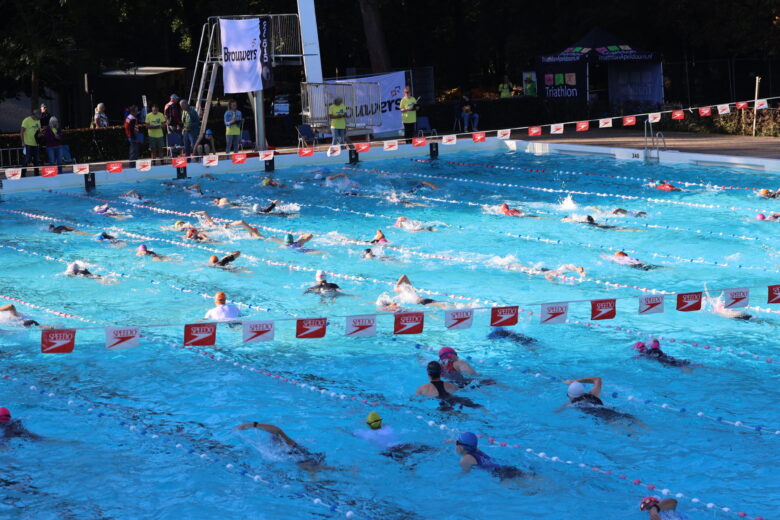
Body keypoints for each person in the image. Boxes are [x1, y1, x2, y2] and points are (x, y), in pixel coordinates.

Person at [234, 423, 328, 471]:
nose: (273, 440)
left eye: (275, 438)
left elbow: (277, 430)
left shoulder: (289, 444)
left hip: (309, 461)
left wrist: (254, 424)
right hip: (307, 463)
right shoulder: (276, 449)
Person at [350, 411, 433, 466]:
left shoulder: (366, 433)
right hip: (401, 445)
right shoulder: (388, 428)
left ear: (368, 424)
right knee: (424, 448)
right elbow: (383, 424)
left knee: (406, 464)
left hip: (388, 451)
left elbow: (351, 432)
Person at [559, 377, 637, 423]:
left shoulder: (570, 404)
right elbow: (597, 379)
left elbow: (557, 412)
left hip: (607, 419)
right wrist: (574, 381)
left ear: (570, 395)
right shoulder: (593, 394)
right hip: (615, 411)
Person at [415, 361, 484, 411]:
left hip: (441, 409)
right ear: (440, 373)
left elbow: (415, 400)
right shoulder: (452, 385)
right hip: (455, 402)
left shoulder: (422, 389)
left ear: (428, 374)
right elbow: (464, 390)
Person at [455, 431, 525, 480]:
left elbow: (465, 473)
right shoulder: (476, 450)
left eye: (457, 442)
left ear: (461, 447)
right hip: (505, 466)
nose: (456, 444)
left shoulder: (465, 459)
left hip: (499, 474)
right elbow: (469, 444)